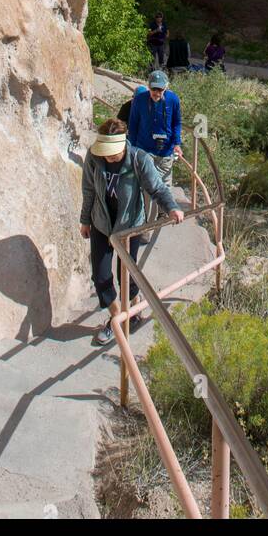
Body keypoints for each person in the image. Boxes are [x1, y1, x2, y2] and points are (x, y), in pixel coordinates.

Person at [80, 117, 184, 345]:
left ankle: (133, 309)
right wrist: (85, 220)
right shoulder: (94, 157)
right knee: (100, 275)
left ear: (123, 143)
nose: (108, 157)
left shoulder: (138, 158)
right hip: (102, 223)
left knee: (127, 274)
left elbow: (157, 187)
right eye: (105, 152)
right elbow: (88, 189)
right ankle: (118, 319)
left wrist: (172, 207)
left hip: (129, 226)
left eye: (112, 153)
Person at [127, 70, 183, 218]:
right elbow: (133, 125)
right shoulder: (139, 100)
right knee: (149, 187)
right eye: (154, 89)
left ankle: (163, 212)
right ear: (148, 86)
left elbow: (177, 122)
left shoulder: (173, 100)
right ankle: (148, 225)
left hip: (166, 151)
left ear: (166, 87)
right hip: (145, 149)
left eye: (160, 89)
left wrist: (177, 143)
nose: (156, 93)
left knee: (165, 184)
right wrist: (132, 150)